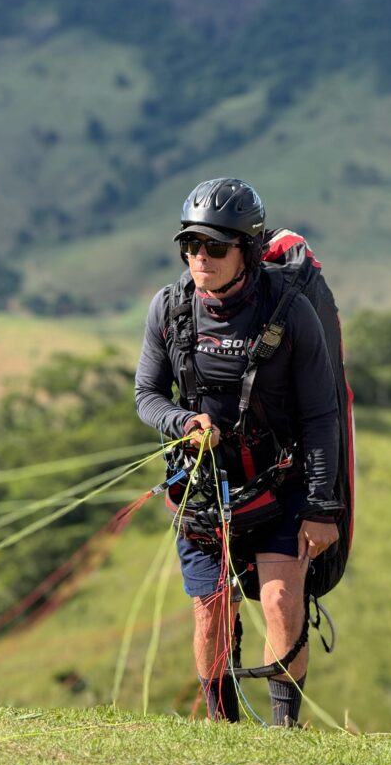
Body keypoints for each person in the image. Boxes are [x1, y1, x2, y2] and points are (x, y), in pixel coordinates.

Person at [135, 177, 340, 726]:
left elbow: (323, 416)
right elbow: (146, 396)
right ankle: (223, 729)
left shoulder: (290, 313)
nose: (201, 258)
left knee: (278, 600)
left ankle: (283, 733)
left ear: (246, 250)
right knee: (210, 615)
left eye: (216, 247)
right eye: (191, 246)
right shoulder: (170, 309)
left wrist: (323, 508)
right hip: (203, 491)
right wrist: (182, 420)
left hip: (280, 487)